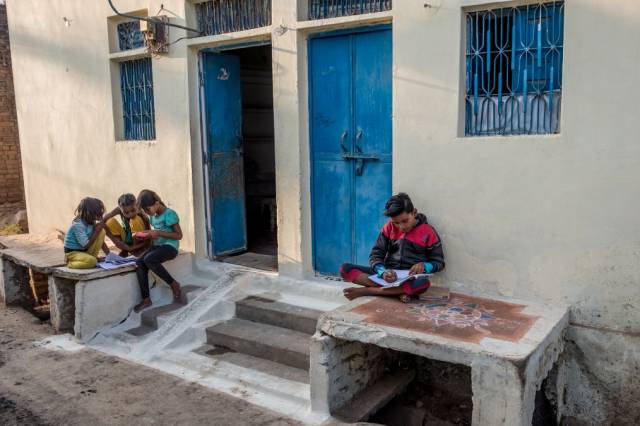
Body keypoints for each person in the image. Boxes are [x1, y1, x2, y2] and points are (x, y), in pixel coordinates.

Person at [340, 193, 445, 302]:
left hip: (410, 278)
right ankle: (398, 292)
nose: (401, 227)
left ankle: (368, 291)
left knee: (422, 283)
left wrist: (425, 266)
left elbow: (439, 262)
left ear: (414, 212)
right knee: (345, 269)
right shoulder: (388, 228)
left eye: (405, 221)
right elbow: (376, 255)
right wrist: (383, 272)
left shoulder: (428, 232)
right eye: (396, 223)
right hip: (388, 276)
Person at [133, 189, 183, 313]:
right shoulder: (153, 217)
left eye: (147, 209)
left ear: (156, 203)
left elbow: (178, 235)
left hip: (170, 247)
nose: (146, 212)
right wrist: (146, 234)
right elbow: (154, 234)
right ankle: (146, 299)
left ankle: (173, 284)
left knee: (149, 259)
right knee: (139, 262)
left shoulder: (169, 214)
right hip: (158, 246)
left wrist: (158, 233)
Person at [63, 197, 110, 269]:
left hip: (84, 251)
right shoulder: (78, 225)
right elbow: (86, 245)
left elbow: (101, 242)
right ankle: (70, 263)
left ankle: (93, 258)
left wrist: (110, 256)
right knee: (92, 262)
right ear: (88, 213)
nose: (98, 218)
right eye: (97, 215)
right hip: (73, 253)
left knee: (102, 231)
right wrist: (96, 231)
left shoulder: (91, 222)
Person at [105, 193, 150, 257]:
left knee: (135, 220)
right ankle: (125, 249)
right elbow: (106, 218)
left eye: (133, 210)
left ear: (136, 205)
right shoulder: (119, 210)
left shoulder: (141, 213)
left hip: (142, 241)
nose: (130, 214)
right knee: (109, 222)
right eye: (126, 213)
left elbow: (148, 234)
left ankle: (136, 250)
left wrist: (145, 245)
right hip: (128, 240)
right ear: (120, 209)